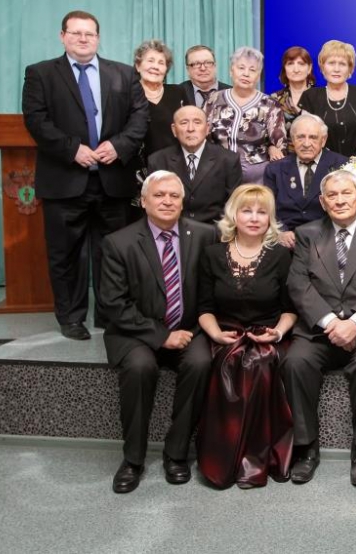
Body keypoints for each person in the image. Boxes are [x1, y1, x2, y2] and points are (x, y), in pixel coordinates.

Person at [22, 10, 148, 339]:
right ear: (62, 36)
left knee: (112, 253)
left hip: (112, 180)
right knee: (66, 255)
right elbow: (36, 120)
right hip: (64, 179)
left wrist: (119, 146)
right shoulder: (40, 73)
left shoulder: (123, 74)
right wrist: (71, 149)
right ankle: (71, 318)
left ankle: (110, 315)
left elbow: (139, 117)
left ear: (98, 38)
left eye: (89, 33)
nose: (82, 38)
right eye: (75, 32)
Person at [282, 170, 356, 486]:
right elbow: (298, 283)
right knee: (295, 363)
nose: (339, 200)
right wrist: (332, 322)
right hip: (320, 327)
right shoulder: (307, 234)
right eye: (332, 195)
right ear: (323, 202)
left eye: (346, 193)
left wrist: (355, 324)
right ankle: (306, 448)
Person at [99, 171, 215, 493]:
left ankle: (176, 453)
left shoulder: (205, 235)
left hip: (189, 328)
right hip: (133, 331)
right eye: (159, 195)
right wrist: (161, 336)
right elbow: (113, 304)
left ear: (183, 202)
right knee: (139, 367)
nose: (167, 201)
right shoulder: (118, 242)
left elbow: (213, 288)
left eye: (174, 196)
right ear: (144, 201)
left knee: (201, 363)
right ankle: (133, 459)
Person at [196, 184, 298, 488]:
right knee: (227, 364)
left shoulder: (280, 255)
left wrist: (277, 333)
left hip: (267, 333)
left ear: (270, 219)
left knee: (260, 364)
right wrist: (216, 334)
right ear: (234, 215)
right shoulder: (212, 254)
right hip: (223, 333)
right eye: (247, 210)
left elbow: (290, 310)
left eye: (262, 212)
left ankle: (258, 459)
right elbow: (204, 308)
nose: (254, 218)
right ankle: (225, 457)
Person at [263, 113, 348, 247]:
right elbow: (267, 208)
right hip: (286, 241)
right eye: (300, 137)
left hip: (329, 239)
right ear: (292, 139)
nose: (306, 144)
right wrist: (280, 232)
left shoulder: (342, 165)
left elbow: (347, 208)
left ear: (323, 140)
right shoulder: (275, 169)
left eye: (313, 137)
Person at [204, 46, 286, 184]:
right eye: (241, 68)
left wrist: (272, 148)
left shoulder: (270, 105)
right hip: (217, 174)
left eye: (252, 70)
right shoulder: (214, 100)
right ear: (231, 71)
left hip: (257, 179)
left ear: (258, 76)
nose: (246, 74)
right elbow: (202, 136)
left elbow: (279, 145)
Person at [147, 105, 242, 224]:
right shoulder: (158, 160)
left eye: (197, 122)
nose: (190, 129)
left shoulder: (228, 160)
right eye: (184, 123)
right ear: (174, 130)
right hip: (172, 228)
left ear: (207, 128)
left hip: (215, 230)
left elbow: (234, 205)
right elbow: (153, 205)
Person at [298, 40, 356, 157]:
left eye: (342, 64)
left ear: (350, 69)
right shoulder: (310, 96)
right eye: (331, 63)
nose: (336, 69)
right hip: (322, 162)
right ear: (322, 67)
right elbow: (305, 134)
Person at [135, 39, 185, 156]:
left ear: (166, 69)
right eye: (150, 61)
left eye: (161, 63)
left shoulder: (178, 92)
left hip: (176, 161)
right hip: (138, 163)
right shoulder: (129, 95)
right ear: (138, 66)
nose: (155, 67)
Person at [270, 46, 315, 125]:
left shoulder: (320, 97)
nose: (296, 70)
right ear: (284, 69)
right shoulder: (274, 100)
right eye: (290, 64)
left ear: (309, 68)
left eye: (301, 64)